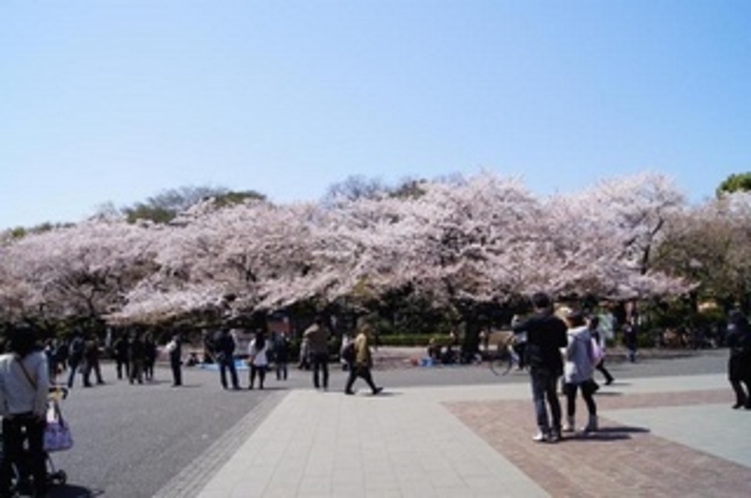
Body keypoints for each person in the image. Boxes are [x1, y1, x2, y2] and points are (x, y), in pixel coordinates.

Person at [0, 326, 50, 497]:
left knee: (8, 454)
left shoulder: (3, 360)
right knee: (37, 453)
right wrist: (39, 409)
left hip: (11, 414)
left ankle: (4, 488)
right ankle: (40, 490)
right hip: (32, 413)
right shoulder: (39, 358)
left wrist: (4, 411)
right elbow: (43, 385)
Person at [512, 292, 568, 443]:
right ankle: (557, 429)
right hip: (554, 362)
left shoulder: (532, 320)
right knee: (553, 396)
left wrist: (517, 320)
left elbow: (516, 328)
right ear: (548, 304)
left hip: (537, 362)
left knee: (539, 397)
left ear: (534, 305)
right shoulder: (557, 322)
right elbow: (564, 343)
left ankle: (544, 430)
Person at [562, 310, 599, 434]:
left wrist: (560, 350)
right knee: (588, 396)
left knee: (571, 397)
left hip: (573, 369)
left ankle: (570, 423)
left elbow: (568, 353)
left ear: (571, 321)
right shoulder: (586, 333)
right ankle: (593, 422)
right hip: (586, 368)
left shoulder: (571, 335)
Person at [344, 323, 383, 396]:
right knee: (362, 374)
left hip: (355, 359)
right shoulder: (363, 338)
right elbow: (362, 349)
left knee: (357, 375)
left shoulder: (359, 336)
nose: (370, 333)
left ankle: (348, 389)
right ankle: (373, 389)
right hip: (359, 359)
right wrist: (362, 360)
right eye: (370, 331)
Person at [726, 310, 751, 409]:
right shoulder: (748, 327)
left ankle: (741, 399)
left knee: (734, 379)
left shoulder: (733, 328)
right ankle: (746, 400)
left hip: (737, 356)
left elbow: (728, 341)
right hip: (748, 355)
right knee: (748, 379)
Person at [303, 316, 331, 390]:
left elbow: (305, 333)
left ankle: (317, 385)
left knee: (316, 369)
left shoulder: (313, 330)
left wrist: (312, 327)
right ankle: (325, 384)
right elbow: (329, 335)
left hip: (315, 351)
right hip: (324, 351)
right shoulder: (325, 330)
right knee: (325, 369)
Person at [588, 315, 614, 386]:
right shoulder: (593, 329)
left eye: (590, 321)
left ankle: (592, 382)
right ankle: (608, 378)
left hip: (596, 350)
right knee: (598, 366)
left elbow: (597, 341)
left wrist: (600, 350)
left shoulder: (596, 331)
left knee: (593, 366)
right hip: (597, 349)